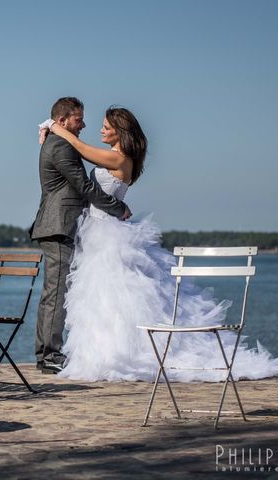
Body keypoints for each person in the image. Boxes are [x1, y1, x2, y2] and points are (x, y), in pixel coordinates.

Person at [40, 106, 278, 381]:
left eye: (106, 126)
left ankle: (119, 355)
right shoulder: (116, 157)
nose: (101, 130)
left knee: (113, 295)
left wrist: (51, 126)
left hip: (107, 234)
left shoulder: (119, 158)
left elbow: (79, 147)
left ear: (120, 131)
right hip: (96, 231)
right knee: (102, 298)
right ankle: (104, 353)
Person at [29, 97, 131, 374]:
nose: (83, 124)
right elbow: (84, 185)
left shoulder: (59, 140)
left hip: (60, 225)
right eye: (78, 119)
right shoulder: (61, 145)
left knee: (57, 291)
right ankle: (49, 355)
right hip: (58, 225)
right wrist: (117, 207)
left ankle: (48, 353)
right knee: (58, 292)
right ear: (63, 121)